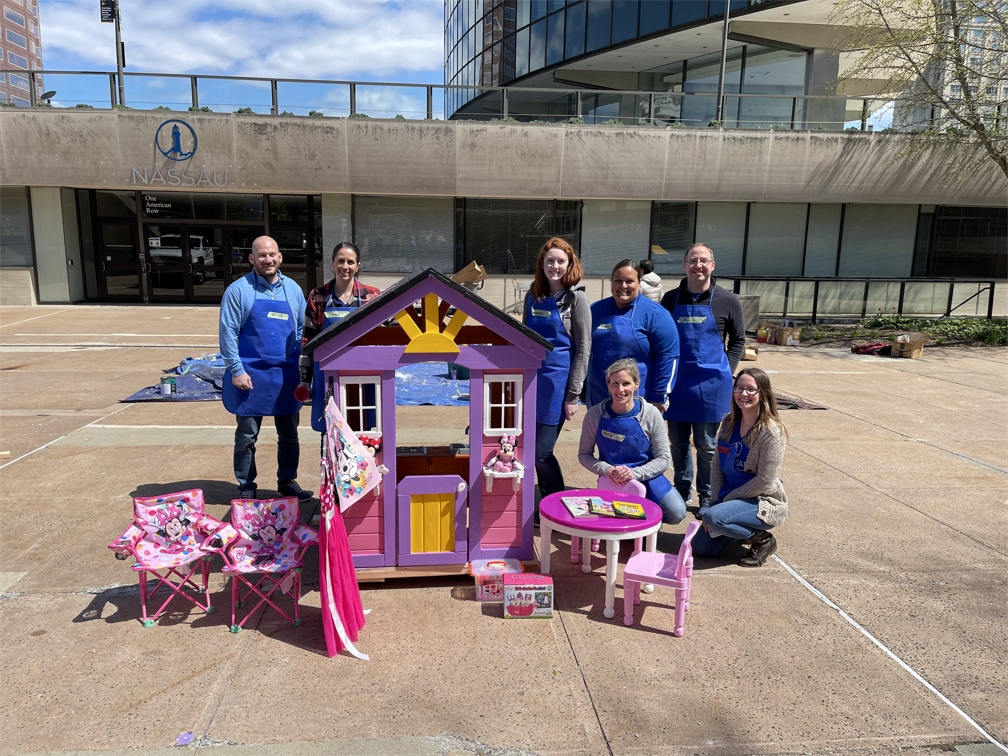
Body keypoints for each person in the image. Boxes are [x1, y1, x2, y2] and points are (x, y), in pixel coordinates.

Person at [219, 236, 312, 502]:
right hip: (250, 375)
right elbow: (228, 334)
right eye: (262, 255)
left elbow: (300, 333)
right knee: (247, 436)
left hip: (285, 375)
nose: (268, 260)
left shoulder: (293, 289)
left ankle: (287, 480)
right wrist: (236, 370)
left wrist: (300, 369)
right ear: (251, 259)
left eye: (272, 255)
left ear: (280, 257)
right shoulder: (238, 291)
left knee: (289, 435)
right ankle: (246, 484)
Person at [660, 242, 746, 518]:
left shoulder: (728, 300)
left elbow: (739, 340)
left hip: (712, 386)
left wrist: (726, 370)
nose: (698, 265)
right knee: (677, 442)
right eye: (692, 261)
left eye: (704, 260)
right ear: (684, 266)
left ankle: (707, 494)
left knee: (708, 446)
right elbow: (662, 340)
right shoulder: (670, 300)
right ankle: (682, 490)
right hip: (678, 385)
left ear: (712, 265)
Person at [692, 368, 788, 567]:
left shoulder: (771, 431)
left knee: (713, 517)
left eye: (751, 390)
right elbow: (717, 466)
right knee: (701, 548)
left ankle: (762, 539)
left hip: (760, 499)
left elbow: (765, 480)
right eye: (739, 388)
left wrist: (722, 505)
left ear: (763, 394)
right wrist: (718, 501)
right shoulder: (729, 421)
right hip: (729, 497)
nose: (744, 394)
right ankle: (732, 525)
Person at [522, 237, 591, 501]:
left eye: (561, 261)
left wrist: (573, 395)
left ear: (570, 264)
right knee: (526, 448)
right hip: (530, 383)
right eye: (550, 260)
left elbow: (584, 348)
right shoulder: (533, 294)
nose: (555, 266)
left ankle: (554, 500)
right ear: (542, 263)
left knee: (541, 451)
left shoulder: (577, 298)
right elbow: (523, 338)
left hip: (558, 387)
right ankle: (536, 500)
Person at [578, 359, 686, 524]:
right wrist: (607, 470)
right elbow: (584, 455)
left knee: (676, 512)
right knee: (622, 518)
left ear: (636, 384)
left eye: (626, 383)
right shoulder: (595, 414)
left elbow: (664, 458)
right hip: (613, 479)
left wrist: (634, 473)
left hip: (648, 476)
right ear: (608, 385)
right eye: (614, 383)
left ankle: (646, 519)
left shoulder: (650, 414)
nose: (620, 389)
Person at [302, 241, 382, 429]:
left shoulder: (372, 296)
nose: (345, 267)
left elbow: (387, 331)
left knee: (364, 433)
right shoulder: (318, 297)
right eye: (340, 261)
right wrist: (305, 380)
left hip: (365, 376)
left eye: (350, 262)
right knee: (330, 431)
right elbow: (307, 342)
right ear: (332, 263)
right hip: (328, 375)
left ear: (358, 266)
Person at [585, 259, 679, 411]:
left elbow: (669, 355)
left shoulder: (656, 314)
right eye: (618, 281)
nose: (623, 286)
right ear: (611, 282)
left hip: (640, 399)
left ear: (639, 283)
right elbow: (584, 351)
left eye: (629, 281)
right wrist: (582, 388)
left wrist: (660, 394)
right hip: (598, 396)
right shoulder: (595, 310)